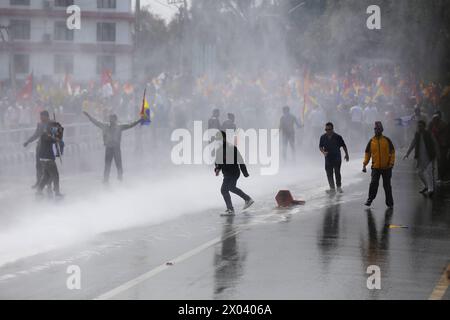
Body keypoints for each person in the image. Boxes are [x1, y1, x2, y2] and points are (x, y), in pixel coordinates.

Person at [84, 112, 142, 183]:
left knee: (118, 163)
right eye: (111, 119)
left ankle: (119, 177)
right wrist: (88, 116)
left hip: (116, 148)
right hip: (109, 148)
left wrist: (139, 120)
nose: (112, 121)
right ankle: (106, 179)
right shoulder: (105, 126)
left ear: (116, 120)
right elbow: (95, 122)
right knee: (108, 164)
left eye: (113, 119)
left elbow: (130, 125)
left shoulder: (119, 127)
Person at [215, 131, 254, 216]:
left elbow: (240, 160)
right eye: (217, 140)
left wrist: (245, 172)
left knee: (224, 189)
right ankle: (247, 199)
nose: (218, 142)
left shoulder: (232, 148)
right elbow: (218, 162)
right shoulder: (219, 150)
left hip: (233, 172)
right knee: (231, 188)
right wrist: (217, 169)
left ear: (224, 139)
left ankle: (230, 209)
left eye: (219, 139)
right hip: (228, 173)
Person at [363, 121, 395, 208]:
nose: (376, 130)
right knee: (373, 184)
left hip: (387, 167)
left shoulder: (387, 140)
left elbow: (392, 152)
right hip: (375, 167)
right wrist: (364, 164)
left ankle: (390, 203)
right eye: (375, 129)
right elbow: (367, 153)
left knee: (387, 186)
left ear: (382, 130)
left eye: (378, 129)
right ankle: (370, 199)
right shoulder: (371, 141)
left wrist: (391, 163)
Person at [404, 120, 436, 197]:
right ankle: (426, 186)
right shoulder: (417, 134)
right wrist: (407, 153)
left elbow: (434, 143)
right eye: (418, 126)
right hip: (420, 158)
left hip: (429, 156)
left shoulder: (428, 134)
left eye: (420, 126)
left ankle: (431, 190)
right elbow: (413, 143)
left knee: (429, 173)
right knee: (419, 173)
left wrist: (436, 154)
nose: (419, 127)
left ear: (424, 126)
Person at [319, 122, 349, 193]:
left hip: (337, 157)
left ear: (332, 129)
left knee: (337, 171)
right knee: (329, 173)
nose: (327, 131)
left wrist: (346, 154)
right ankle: (332, 188)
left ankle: (339, 187)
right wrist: (323, 152)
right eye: (326, 129)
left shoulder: (338, 137)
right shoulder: (323, 137)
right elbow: (320, 146)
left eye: (329, 129)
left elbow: (343, 146)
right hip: (328, 157)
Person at [36, 121, 64, 198]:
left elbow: (58, 137)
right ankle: (57, 193)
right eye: (53, 128)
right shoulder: (45, 135)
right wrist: (57, 136)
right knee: (55, 175)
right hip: (48, 159)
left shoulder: (49, 134)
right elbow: (54, 139)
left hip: (44, 159)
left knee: (46, 176)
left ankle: (39, 190)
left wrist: (59, 130)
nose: (54, 129)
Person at [24, 110, 50, 188]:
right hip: (40, 147)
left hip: (48, 148)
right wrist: (28, 141)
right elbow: (36, 135)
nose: (41, 118)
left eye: (42, 116)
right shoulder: (40, 124)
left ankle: (48, 183)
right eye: (40, 117)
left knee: (48, 166)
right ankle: (38, 182)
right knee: (38, 166)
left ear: (46, 116)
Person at [428, 111, 449, 184]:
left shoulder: (444, 125)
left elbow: (445, 138)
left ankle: (443, 177)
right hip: (435, 144)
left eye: (437, 119)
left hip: (443, 145)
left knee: (442, 161)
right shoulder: (431, 124)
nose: (435, 120)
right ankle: (439, 177)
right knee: (437, 161)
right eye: (434, 118)